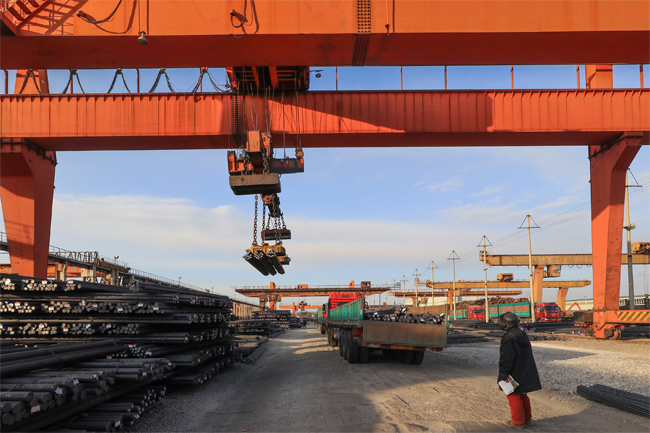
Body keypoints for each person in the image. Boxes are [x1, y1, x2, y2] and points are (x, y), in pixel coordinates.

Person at [498, 312, 542, 429]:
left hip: (515, 371)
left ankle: (518, 422)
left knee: (513, 396)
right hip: (525, 370)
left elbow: (507, 358)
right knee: (523, 395)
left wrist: (503, 374)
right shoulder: (522, 334)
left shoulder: (508, 338)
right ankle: (527, 419)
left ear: (505, 324)